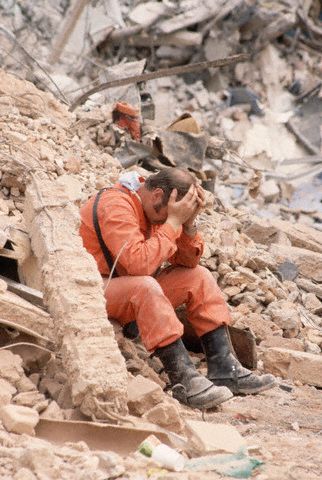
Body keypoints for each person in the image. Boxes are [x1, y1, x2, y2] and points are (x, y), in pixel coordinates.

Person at [80, 168, 276, 409]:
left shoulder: (154, 209)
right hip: (94, 290)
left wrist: (188, 225)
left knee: (199, 276)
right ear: (157, 195)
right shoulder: (115, 205)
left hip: (127, 287)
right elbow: (139, 264)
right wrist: (172, 222)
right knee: (146, 286)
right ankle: (183, 380)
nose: (164, 221)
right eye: (165, 215)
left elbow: (188, 262)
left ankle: (225, 368)